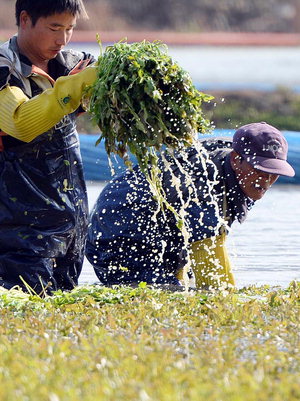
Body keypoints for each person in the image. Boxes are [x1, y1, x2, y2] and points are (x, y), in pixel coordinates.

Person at [86, 122, 295, 290]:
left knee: (183, 285)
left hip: (159, 227)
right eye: (259, 170)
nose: (266, 180)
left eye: (274, 173)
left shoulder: (239, 172)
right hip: (117, 232)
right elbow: (209, 258)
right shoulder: (203, 179)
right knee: (162, 293)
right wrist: (230, 302)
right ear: (236, 159)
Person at [0, 0, 98, 294]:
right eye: (54, 28)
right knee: (25, 302)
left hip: (71, 220)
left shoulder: (73, 64)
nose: (62, 39)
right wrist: (73, 87)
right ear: (26, 19)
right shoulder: (5, 68)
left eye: (69, 29)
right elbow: (21, 124)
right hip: (17, 226)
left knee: (64, 301)